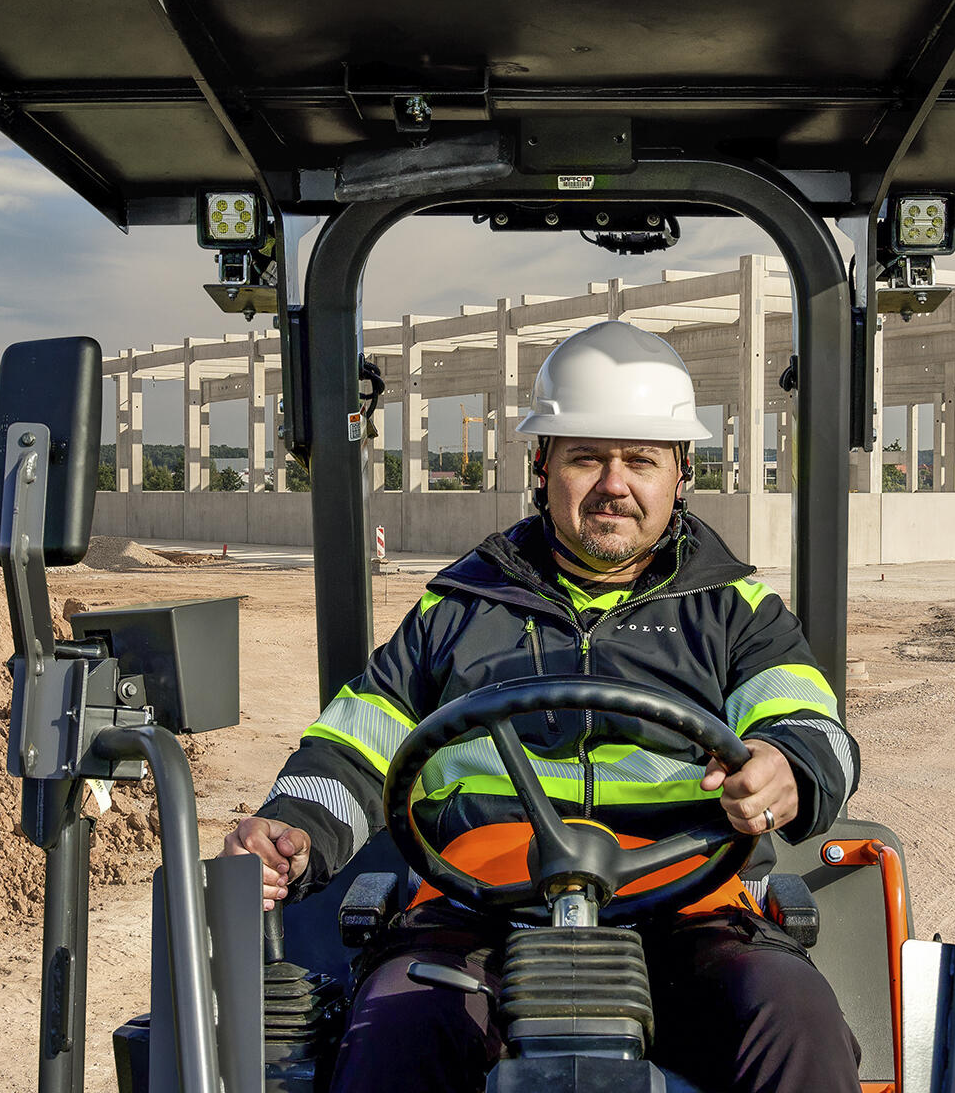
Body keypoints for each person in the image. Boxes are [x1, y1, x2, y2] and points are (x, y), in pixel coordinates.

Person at [219, 320, 862, 1093]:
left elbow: (812, 727)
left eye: (641, 460)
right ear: (541, 465)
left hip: (687, 900)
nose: (614, 484)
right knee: (393, 1028)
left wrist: (788, 767)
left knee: (796, 1021)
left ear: (681, 473)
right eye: (587, 457)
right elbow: (357, 744)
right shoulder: (458, 608)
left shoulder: (735, 611)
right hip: (476, 904)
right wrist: (293, 827)